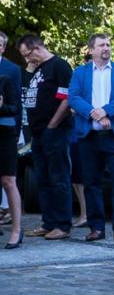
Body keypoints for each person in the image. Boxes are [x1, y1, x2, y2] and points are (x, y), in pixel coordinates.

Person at [68, 33, 114, 243]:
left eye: (108, 44)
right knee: (91, 183)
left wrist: (105, 112)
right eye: (101, 45)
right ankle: (96, 227)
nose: (106, 48)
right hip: (89, 136)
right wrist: (92, 113)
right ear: (91, 50)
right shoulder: (80, 72)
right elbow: (74, 97)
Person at [18, 34, 74, 240]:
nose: (26, 60)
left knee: (58, 177)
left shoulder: (59, 66)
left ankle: (62, 224)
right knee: (43, 178)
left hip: (56, 131)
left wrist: (52, 125)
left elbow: (66, 99)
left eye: (27, 55)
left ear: (36, 48)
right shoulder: (37, 69)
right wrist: (30, 69)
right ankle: (48, 222)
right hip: (39, 133)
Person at [0, 31, 22, 248]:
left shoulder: (12, 70)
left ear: (3, 48)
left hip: (5, 132)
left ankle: (16, 231)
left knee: (8, 181)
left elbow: (16, 106)